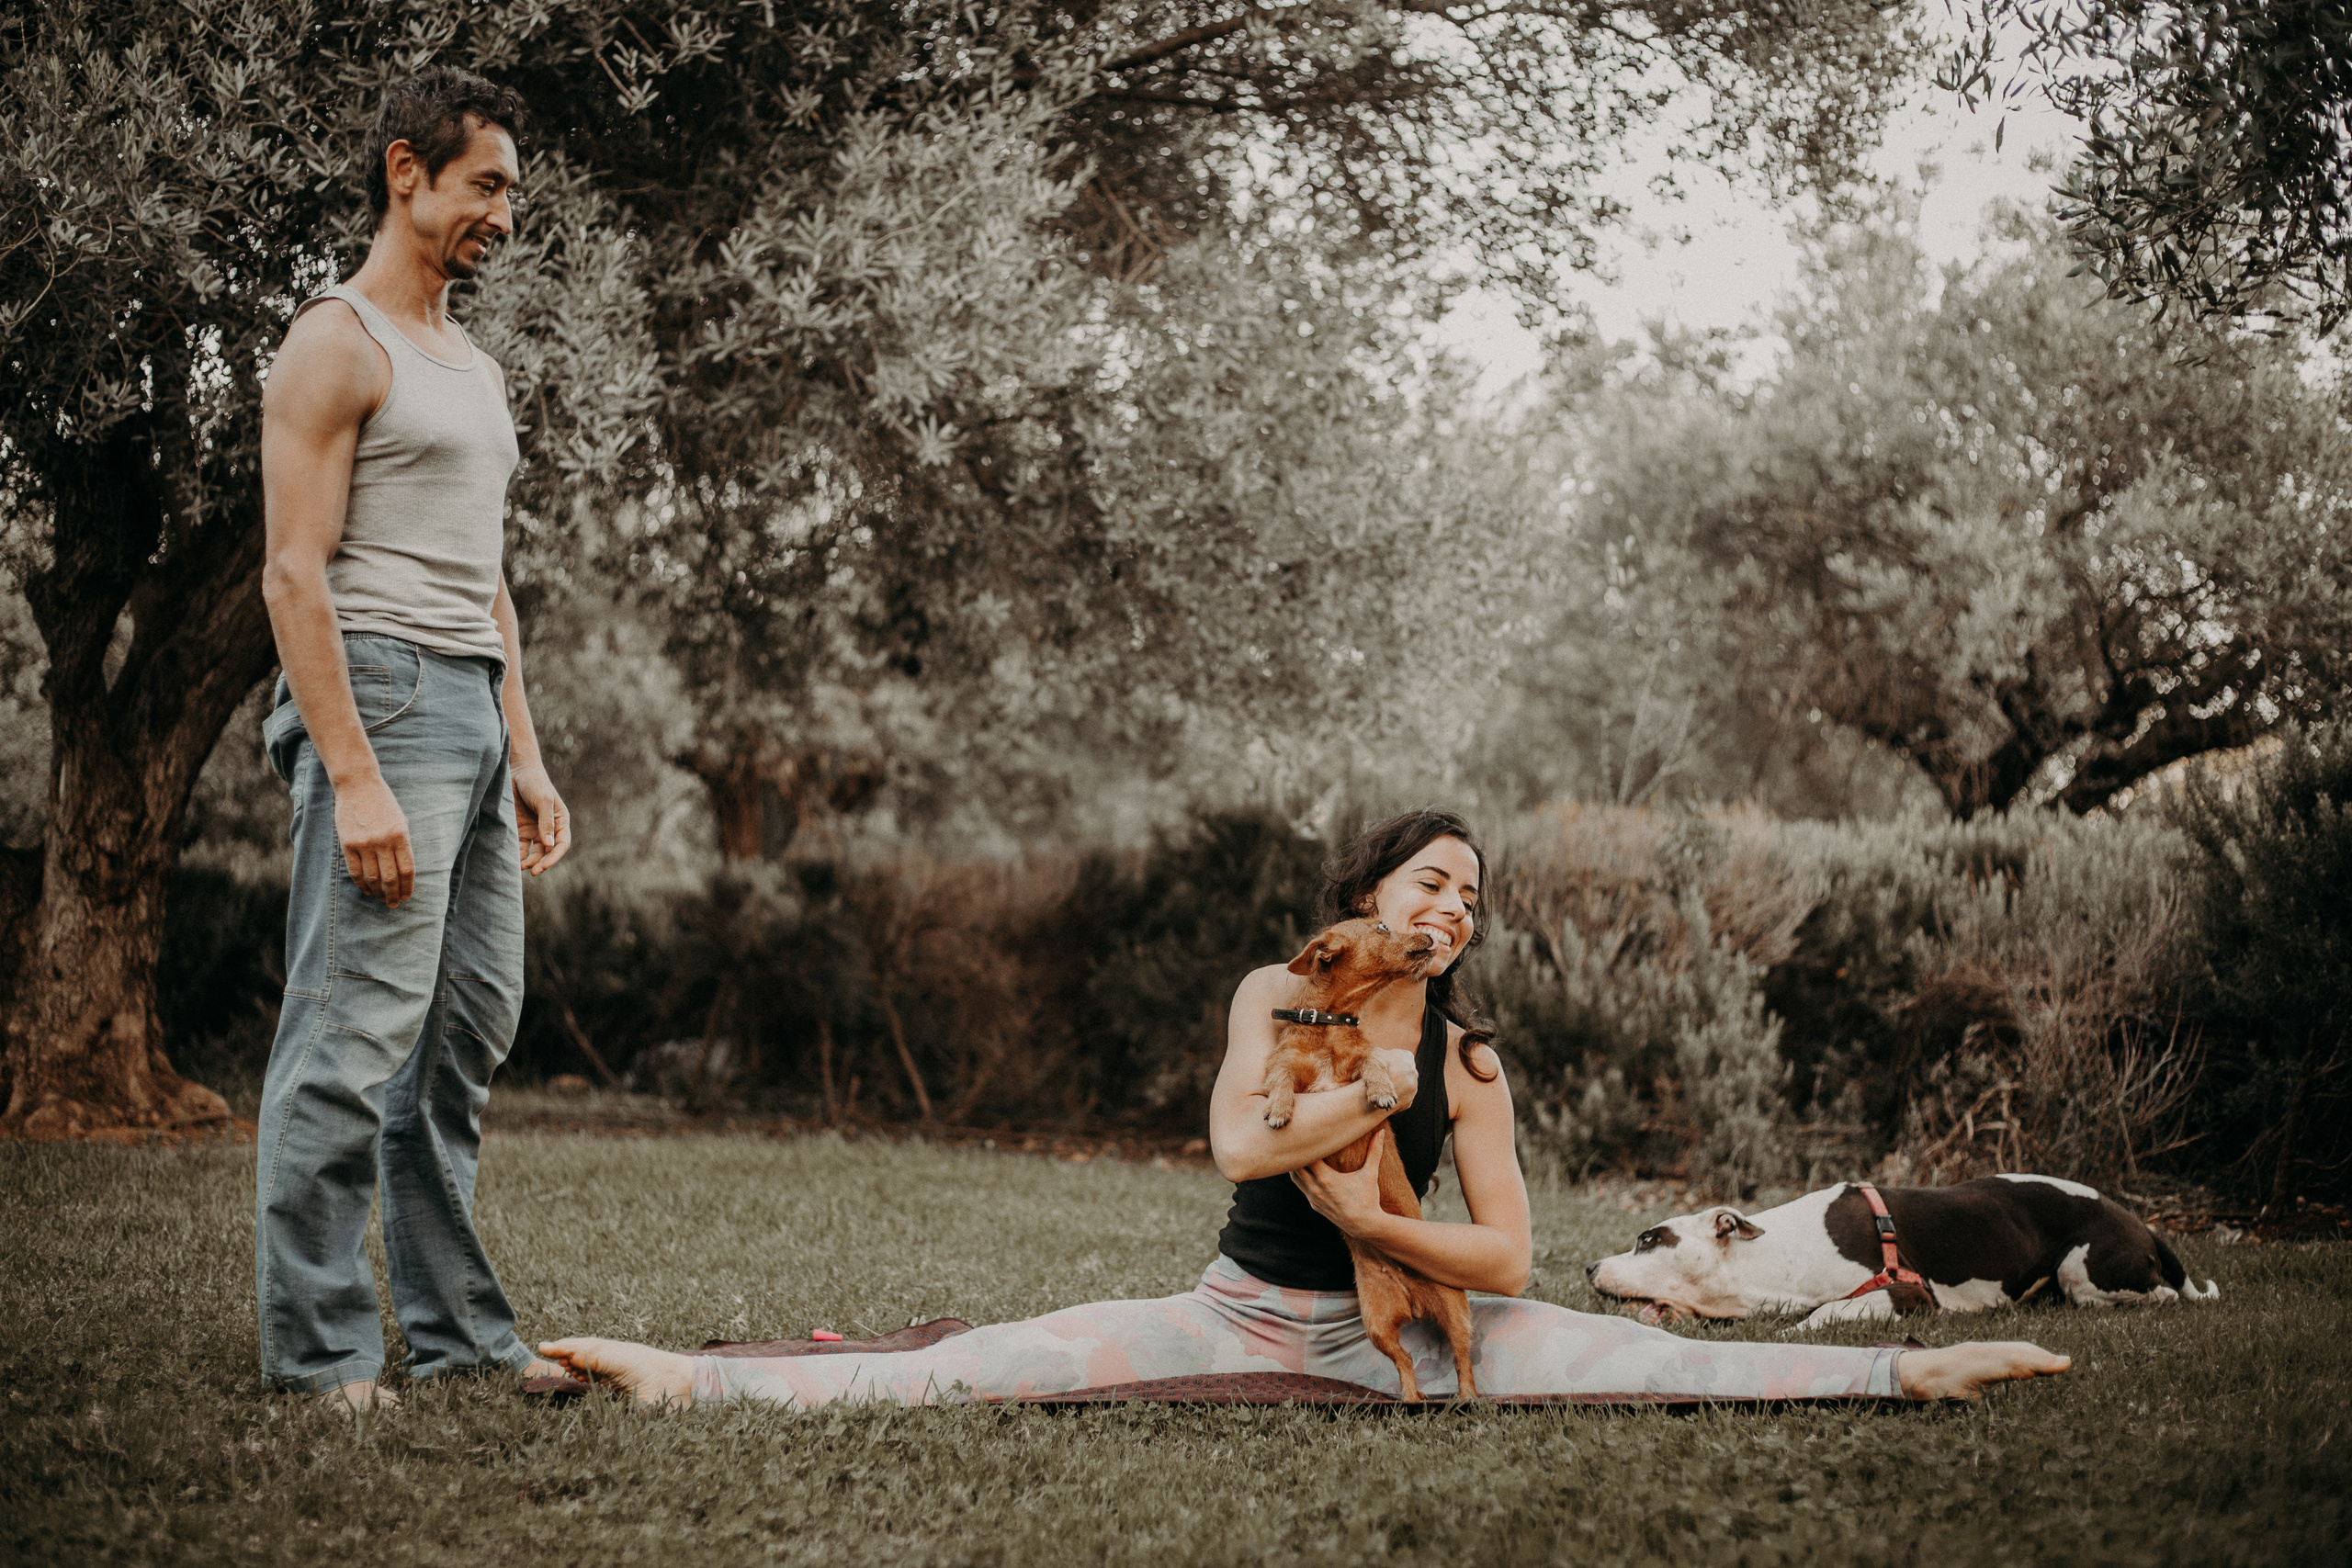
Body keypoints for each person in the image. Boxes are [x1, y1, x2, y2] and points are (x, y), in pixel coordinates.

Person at [540, 810, 2069, 1407]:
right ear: (1363, 896)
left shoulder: (1472, 1067)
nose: (1452, 909)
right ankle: (683, 1380)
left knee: (1651, 1356)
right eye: (1430, 882)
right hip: (1241, 1314)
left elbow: (1511, 1262)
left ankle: (1907, 1381)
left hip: (1410, 1330)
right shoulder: (1273, 996)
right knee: (990, 1367)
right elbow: (1230, 1149)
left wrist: (1394, 1205)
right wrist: (1346, 1153)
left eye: (1472, 896)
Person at [254, 67, 572, 1412]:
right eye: (485, 184)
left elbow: (483, 576)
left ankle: (456, 1337)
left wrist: (530, 750)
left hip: (471, 704)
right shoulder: (337, 342)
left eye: (512, 189)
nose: (506, 212)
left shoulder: (471, 362)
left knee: (458, 1041)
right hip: (379, 697)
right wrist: (352, 772)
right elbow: (291, 576)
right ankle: (321, 1360)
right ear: (407, 173)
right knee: (349, 1039)